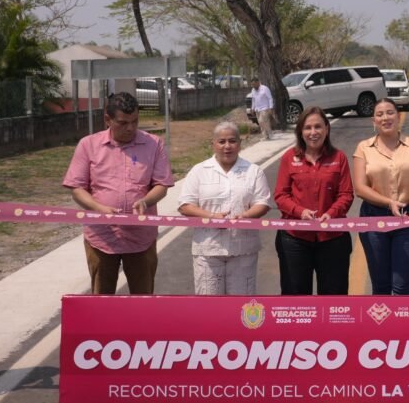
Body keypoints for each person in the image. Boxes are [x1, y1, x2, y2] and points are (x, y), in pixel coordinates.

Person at [62, 92, 174, 295]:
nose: (130, 128)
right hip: (101, 237)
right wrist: (99, 208)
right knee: (102, 299)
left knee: (143, 299)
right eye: (123, 123)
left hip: (141, 238)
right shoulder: (88, 145)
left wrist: (145, 201)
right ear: (108, 119)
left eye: (135, 121)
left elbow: (162, 185)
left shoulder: (154, 144)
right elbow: (76, 188)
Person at [178, 121, 271, 295]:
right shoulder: (199, 171)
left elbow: (263, 203)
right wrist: (211, 216)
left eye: (232, 141)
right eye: (222, 142)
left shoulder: (253, 171)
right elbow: (185, 205)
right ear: (213, 144)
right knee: (209, 305)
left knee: (241, 304)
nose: (227, 146)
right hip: (208, 250)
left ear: (240, 144)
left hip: (243, 250)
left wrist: (245, 216)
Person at [353, 98, 409, 295]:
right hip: (373, 219)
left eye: (390, 112)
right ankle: (382, 317)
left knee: (402, 285)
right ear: (374, 121)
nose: (385, 118)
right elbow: (360, 188)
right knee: (381, 285)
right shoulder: (363, 148)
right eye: (379, 114)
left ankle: (404, 317)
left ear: (398, 116)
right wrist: (389, 203)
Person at [273, 106, 354, 295]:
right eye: (307, 128)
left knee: (334, 299)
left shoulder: (339, 158)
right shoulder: (289, 158)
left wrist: (331, 214)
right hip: (294, 239)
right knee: (296, 299)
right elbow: (281, 195)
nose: (313, 132)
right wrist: (300, 212)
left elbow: (346, 194)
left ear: (327, 128)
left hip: (333, 238)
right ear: (300, 131)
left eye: (318, 126)